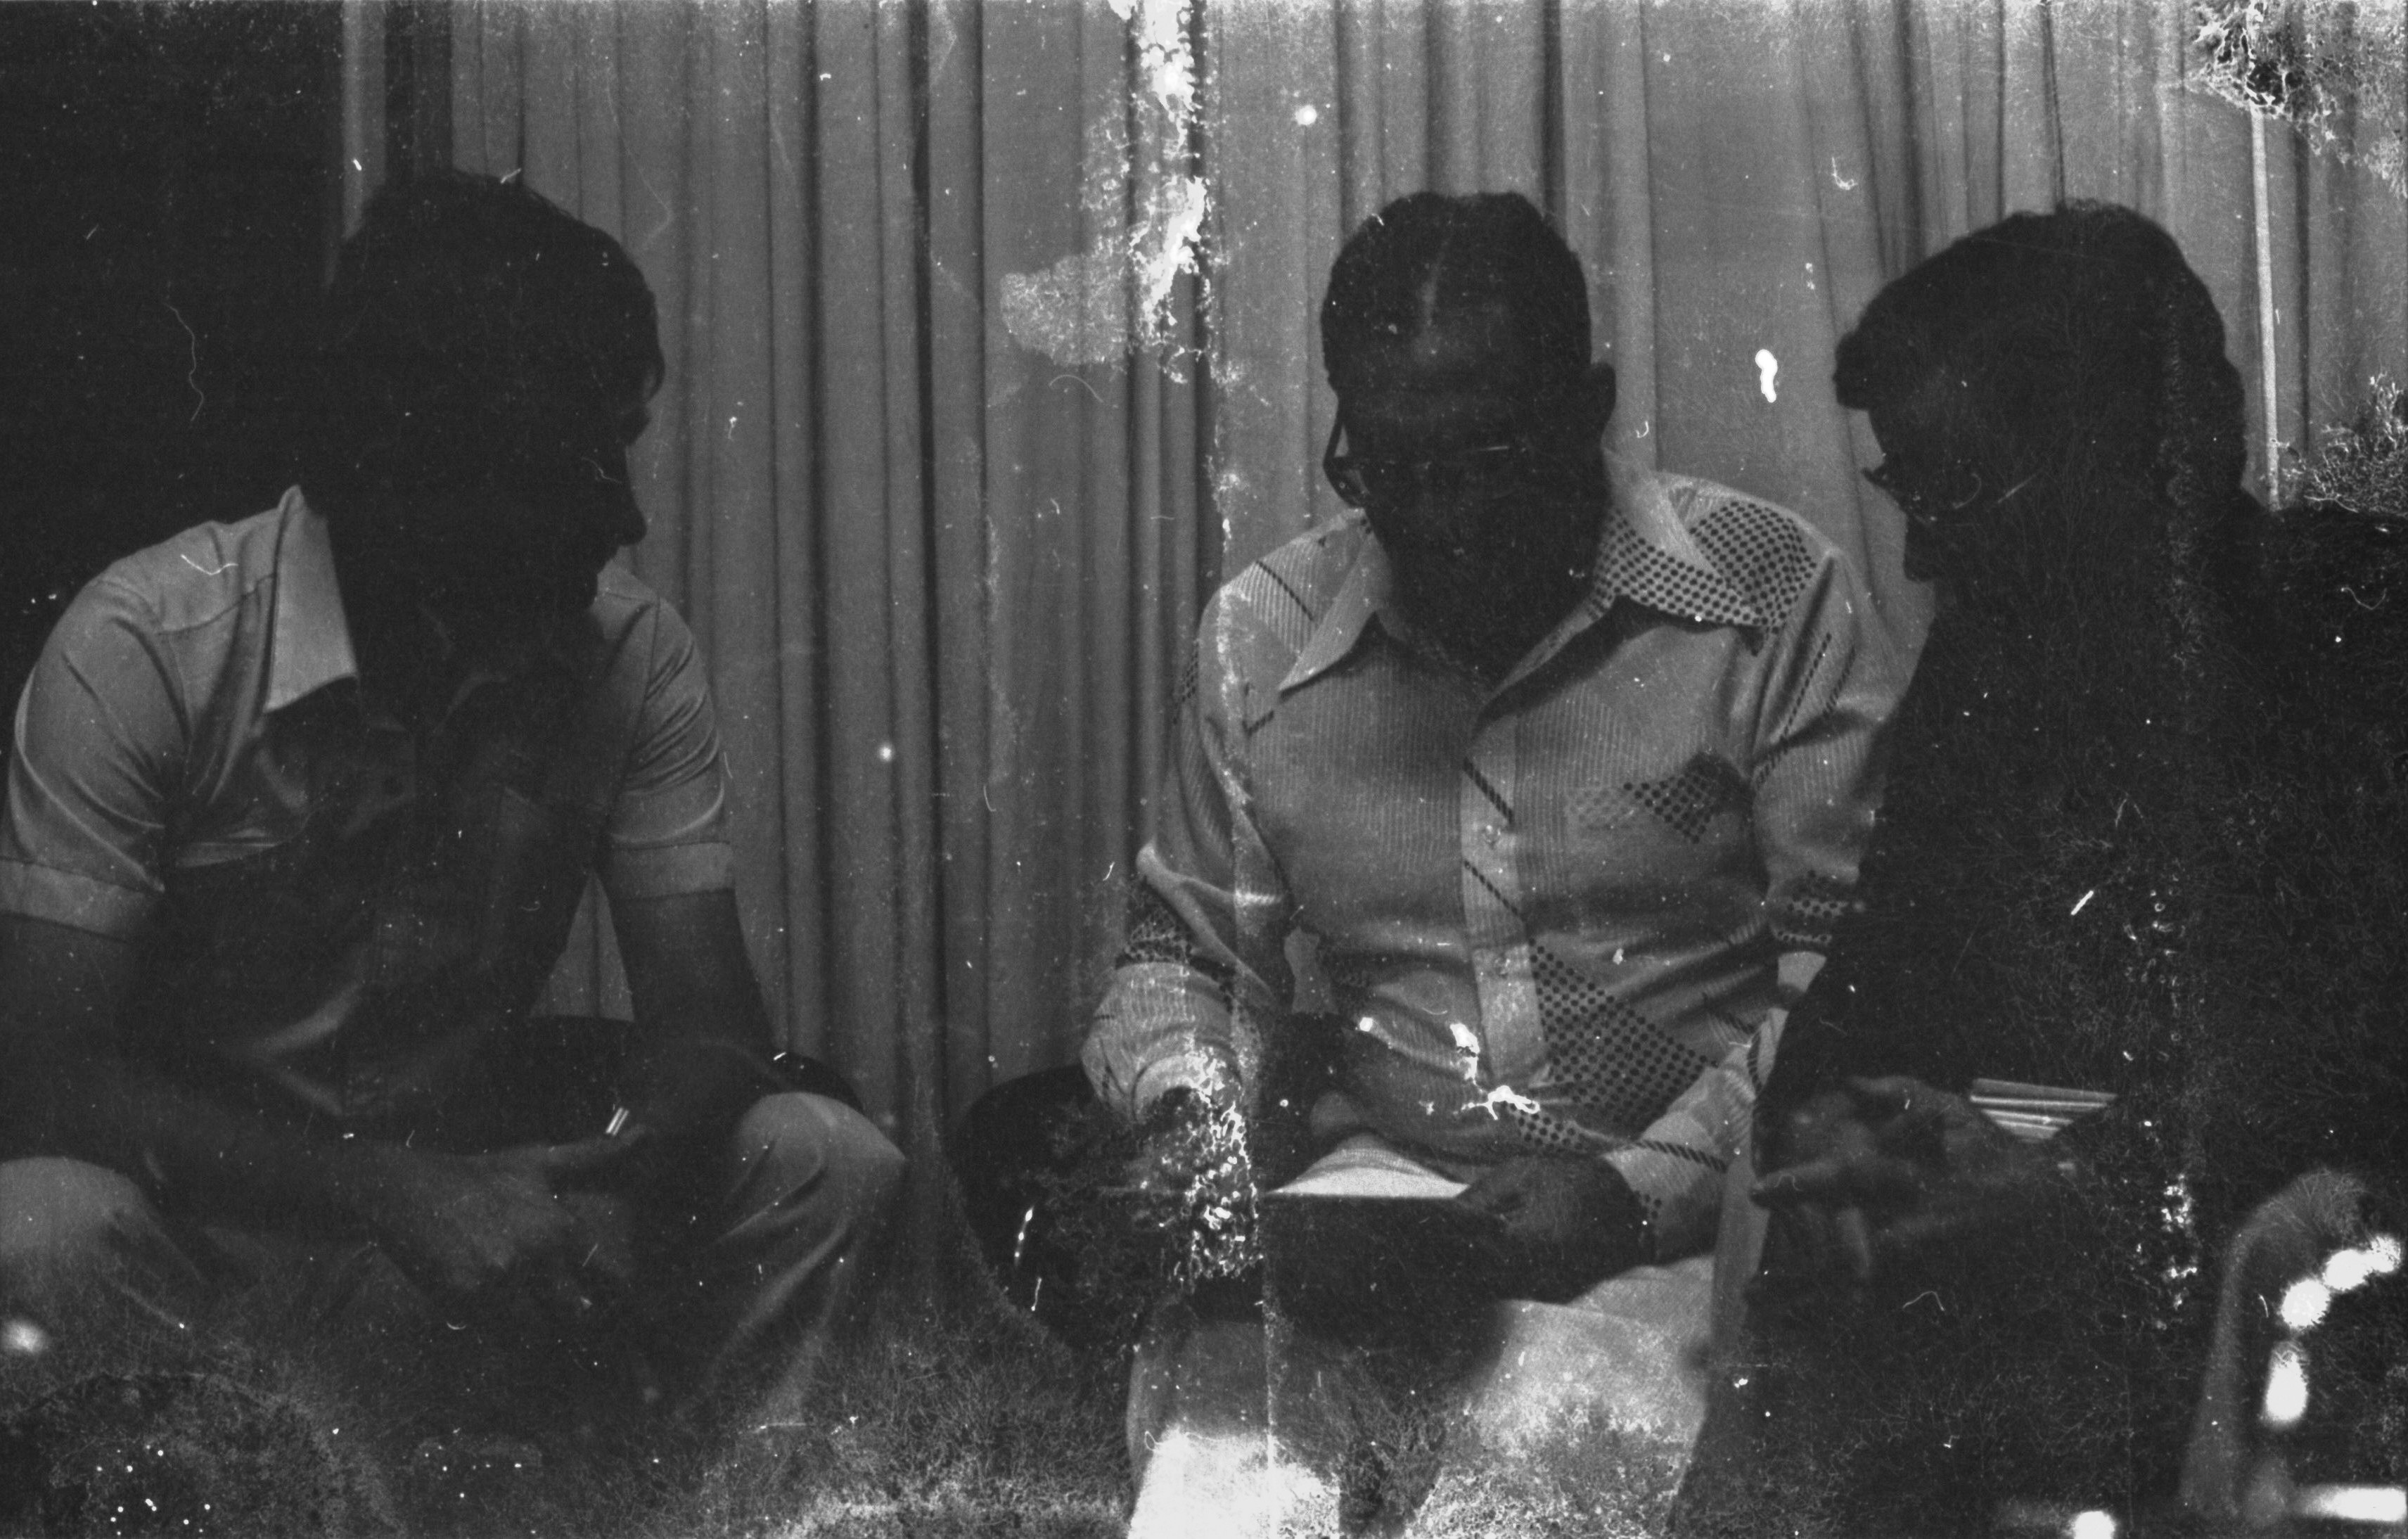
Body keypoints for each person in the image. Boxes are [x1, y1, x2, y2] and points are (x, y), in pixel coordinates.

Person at [0, 171, 904, 1462]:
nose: (629, 513)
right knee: (32, 1230)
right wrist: (384, 1192)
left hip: (495, 1212)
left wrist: (613, 1179)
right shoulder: (147, 646)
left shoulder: (634, 654)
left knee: (828, 1159)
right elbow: (47, 1074)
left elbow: (710, 1024)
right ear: (419, 466)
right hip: (205, 1240)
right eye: (577, 460)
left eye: (626, 444)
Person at [1076, 191, 1900, 1533]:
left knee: (1521, 1494)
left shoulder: (1770, 594)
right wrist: (1190, 1120)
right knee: (1215, 1498)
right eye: (1395, 471)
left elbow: (1851, 980)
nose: (1445, 518)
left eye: (1490, 458)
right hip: (1382, 1207)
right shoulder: (1260, 637)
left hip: (1680, 1237)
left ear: (1593, 409)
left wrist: (1635, 1196)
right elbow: (1184, 959)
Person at [1673, 202, 2408, 1536]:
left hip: (2275, 1299)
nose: (1919, 553)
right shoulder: (1991, 667)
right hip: (2031, 1282)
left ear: (2154, 456)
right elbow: (1870, 986)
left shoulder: (2362, 641)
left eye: (1958, 492)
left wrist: (2091, 1190)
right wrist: (1836, 1123)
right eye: (1907, 492)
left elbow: (2355, 1075)